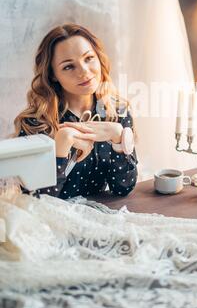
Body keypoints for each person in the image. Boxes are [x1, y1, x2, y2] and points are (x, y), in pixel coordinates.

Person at [14, 24, 138, 199]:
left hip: (102, 216)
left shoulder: (118, 111)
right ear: (52, 75)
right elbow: (35, 201)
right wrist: (61, 145)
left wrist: (118, 136)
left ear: (99, 58)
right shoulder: (34, 123)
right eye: (68, 67)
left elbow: (123, 187)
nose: (84, 72)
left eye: (88, 58)